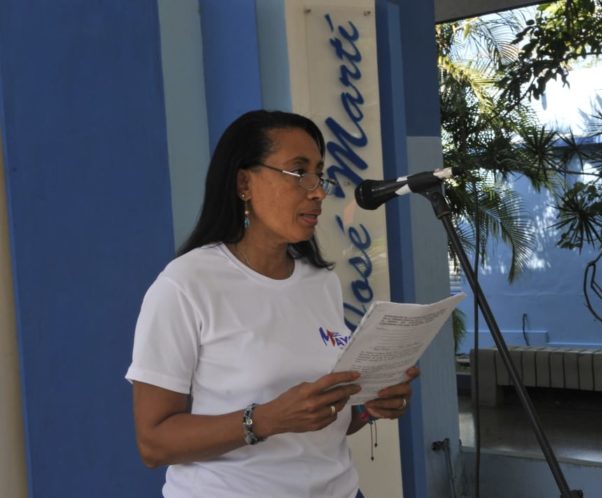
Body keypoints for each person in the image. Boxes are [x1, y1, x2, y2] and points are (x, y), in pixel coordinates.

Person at [125, 110, 419, 498]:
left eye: (319, 173)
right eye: (300, 173)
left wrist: (369, 407)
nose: (317, 191)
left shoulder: (321, 283)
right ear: (244, 182)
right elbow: (153, 443)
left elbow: (322, 422)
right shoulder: (186, 284)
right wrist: (263, 420)